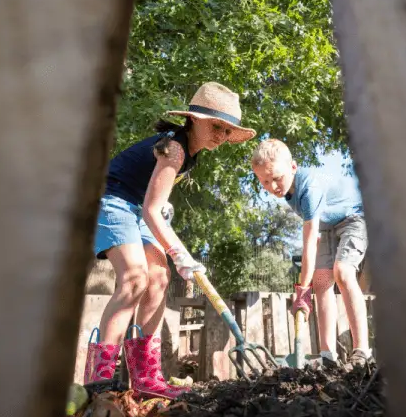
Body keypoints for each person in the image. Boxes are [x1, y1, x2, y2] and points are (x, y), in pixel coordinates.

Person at [84, 82, 256, 399]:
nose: (221, 135)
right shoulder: (174, 147)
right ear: (194, 119)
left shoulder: (189, 154)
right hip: (114, 199)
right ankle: (100, 380)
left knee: (159, 278)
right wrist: (179, 251)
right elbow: (150, 208)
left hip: (139, 206)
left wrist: (167, 219)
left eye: (227, 131)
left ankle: (147, 378)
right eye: (216, 126)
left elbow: (155, 201)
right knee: (135, 277)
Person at [251, 139, 372, 368]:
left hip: (354, 217)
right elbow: (314, 237)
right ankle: (328, 356)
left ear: (293, 167)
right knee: (321, 282)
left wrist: (301, 292)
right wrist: (308, 287)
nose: (272, 186)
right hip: (327, 222)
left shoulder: (310, 188)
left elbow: (308, 243)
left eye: (277, 178)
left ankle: (362, 351)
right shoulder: (287, 190)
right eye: (264, 181)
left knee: (343, 272)